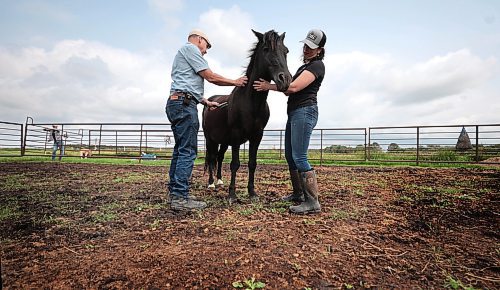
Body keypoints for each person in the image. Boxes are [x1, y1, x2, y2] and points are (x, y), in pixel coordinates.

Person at [166, 29, 248, 211]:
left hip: (179, 101)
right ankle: (180, 197)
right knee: (187, 151)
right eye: (206, 46)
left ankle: (175, 192)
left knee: (180, 150)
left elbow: (185, 83)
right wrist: (235, 82)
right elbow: (210, 77)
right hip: (184, 105)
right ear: (199, 39)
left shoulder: (183, 53)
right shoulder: (191, 49)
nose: (206, 50)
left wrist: (205, 101)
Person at [253, 29, 326, 214]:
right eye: (305, 46)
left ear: (319, 50)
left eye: (311, 47)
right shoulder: (303, 67)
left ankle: (312, 201)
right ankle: (298, 194)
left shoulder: (317, 66)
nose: (307, 49)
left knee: (300, 156)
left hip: (305, 111)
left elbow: (292, 87)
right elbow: (287, 89)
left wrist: (267, 86)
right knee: (290, 155)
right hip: (294, 112)